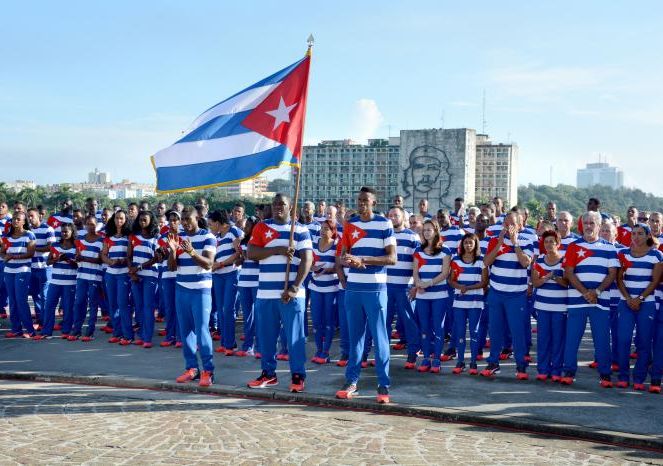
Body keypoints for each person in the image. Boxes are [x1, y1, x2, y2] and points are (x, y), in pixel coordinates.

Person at [334, 187, 396, 403]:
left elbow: (392, 258)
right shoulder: (350, 225)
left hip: (376, 290)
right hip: (353, 289)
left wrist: (365, 261)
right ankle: (351, 381)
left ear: (374, 203)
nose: (361, 204)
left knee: (380, 339)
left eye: (365, 201)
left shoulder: (384, 223)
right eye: (359, 200)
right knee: (355, 339)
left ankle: (383, 385)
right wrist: (347, 261)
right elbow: (342, 256)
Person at [247, 193, 312, 392]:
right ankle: (268, 374)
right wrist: (278, 250)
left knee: (294, 338)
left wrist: (294, 287)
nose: (277, 207)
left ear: (290, 207)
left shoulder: (300, 230)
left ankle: (298, 376)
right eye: (275, 204)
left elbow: (307, 260)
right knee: (266, 338)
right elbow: (251, 253)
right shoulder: (261, 226)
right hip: (266, 293)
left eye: (282, 204)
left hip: (291, 294)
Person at [562, 211, 619, 387]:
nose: (588, 226)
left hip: (600, 301)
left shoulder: (609, 248)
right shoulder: (573, 246)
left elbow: (613, 274)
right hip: (577, 300)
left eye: (591, 223)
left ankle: (605, 374)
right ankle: (569, 372)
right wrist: (586, 292)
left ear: (599, 225)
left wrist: (597, 292)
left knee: (602, 339)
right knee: (572, 339)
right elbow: (568, 272)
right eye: (585, 223)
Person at [167, 208, 217, 387]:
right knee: (185, 331)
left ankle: (208, 371)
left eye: (188, 219)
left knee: (202, 331)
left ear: (198, 218)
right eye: (183, 220)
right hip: (181, 289)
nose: (185, 223)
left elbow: (209, 264)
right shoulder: (177, 238)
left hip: (200, 290)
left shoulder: (208, 237)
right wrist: (173, 251)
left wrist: (192, 252)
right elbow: (172, 268)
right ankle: (191, 368)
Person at [480, 211, 533, 379]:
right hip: (496, 292)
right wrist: (500, 243)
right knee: (495, 331)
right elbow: (486, 262)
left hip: (516, 295)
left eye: (512, 224)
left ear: (519, 225)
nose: (508, 227)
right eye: (506, 223)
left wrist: (515, 242)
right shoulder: (493, 240)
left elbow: (525, 262)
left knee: (517, 332)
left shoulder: (527, 241)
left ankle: (521, 366)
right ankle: (493, 363)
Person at [615, 224, 662, 390]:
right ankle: (622, 376)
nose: (636, 236)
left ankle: (639, 379)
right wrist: (628, 298)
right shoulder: (622, 254)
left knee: (643, 342)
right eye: (633, 233)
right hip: (625, 303)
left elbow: (655, 281)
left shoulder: (656, 255)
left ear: (648, 235)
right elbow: (619, 279)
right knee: (623, 340)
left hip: (647, 304)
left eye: (640, 233)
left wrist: (640, 298)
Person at [411, 220, 452, 374]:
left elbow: (445, 273)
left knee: (438, 326)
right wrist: (418, 283)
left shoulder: (445, 250)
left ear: (436, 231)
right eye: (424, 230)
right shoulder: (418, 250)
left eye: (429, 230)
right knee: (424, 327)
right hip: (422, 296)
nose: (427, 232)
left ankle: (436, 358)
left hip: (439, 295)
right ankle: (426, 357)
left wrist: (428, 284)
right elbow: (415, 272)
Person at [386, 206, 421, 368]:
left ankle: (413, 354)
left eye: (396, 215)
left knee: (408, 321)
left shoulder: (412, 237)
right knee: (383, 322)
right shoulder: (384, 235)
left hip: (404, 287)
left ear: (403, 218)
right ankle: (382, 355)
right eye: (390, 215)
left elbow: (418, 263)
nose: (393, 217)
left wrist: (415, 285)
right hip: (385, 286)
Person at [448, 233, 488, 375]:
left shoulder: (481, 260)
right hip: (459, 302)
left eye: (471, 243)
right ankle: (460, 361)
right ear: (462, 244)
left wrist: (467, 288)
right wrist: (459, 286)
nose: (468, 245)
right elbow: (451, 280)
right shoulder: (456, 260)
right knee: (459, 331)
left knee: (474, 332)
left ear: (475, 244)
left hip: (476, 301)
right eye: (466, 243)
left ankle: (473, 362)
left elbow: (484, 282)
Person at [532, 230, 568, 382]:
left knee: (558, 340)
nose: (548, 245)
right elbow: (535, 283)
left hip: (560, 307)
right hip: (543, 306)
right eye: (546, 242)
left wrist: (555, 277)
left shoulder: (565, 260)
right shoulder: (539, 260)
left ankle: (557, 370)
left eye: (551, 242)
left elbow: (567, 283)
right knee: (543, 339)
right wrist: (547, 277)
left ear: (558, 243)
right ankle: (542, 369)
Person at [208, 210, 243, 355]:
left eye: (211, 224)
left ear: (218, 222)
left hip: (231, 274)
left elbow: (239, 253)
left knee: (228, 309)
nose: (210, 227)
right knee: (221, 310)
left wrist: (221, 264)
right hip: (218, 275)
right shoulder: (216, 236)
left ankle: (230, 344)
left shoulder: (234, 231)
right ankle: (224, 342)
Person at [128, 211, 160, 348]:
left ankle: (147, 338)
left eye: (145, 220)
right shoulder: (133, 237)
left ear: (151, 221)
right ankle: (141, 334)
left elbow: (157, 258)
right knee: (139, 307)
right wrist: (132, 272)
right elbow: (129, 256)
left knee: (148, 307)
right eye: (140, 220)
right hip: (136, 276)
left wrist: (139, 267)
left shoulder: (156, 238)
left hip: (150, 276)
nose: (142, 222)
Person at [1, 212, 36, 338]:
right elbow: (3, 252)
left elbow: (31, 253)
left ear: (23, 221)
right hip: (9, 271)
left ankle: (30, 330)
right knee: (13, 301)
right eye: (14, 219)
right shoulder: (7, 236)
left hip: (23, 270)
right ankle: (16, 329)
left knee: (21, 300)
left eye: (18, 219)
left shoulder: (29, 234)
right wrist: (5, 257)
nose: (15, 221)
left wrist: (14, 257)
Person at [309, 220, 339, 364]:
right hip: (315, 286)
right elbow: (308, 261)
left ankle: (326, 352)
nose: (323, 230)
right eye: (321, 228)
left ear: (333, 231)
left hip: (331, 288)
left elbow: (339, 266)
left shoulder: (337, 244)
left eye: (326, 228)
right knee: (316, 321)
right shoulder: (314, 243)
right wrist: (311, 267)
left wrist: (328, 269)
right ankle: (318, 349)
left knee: (328, 321)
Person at [69, 215, 104, 341]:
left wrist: (83, 258)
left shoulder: (102, 240)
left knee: (93, 304)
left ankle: (90, 331)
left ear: (97, 225)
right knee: (79, 303)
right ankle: (76, 329)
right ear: (85, 225)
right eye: (88, 224)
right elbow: (77, 256)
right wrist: (76, 259)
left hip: (95, 276)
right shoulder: (80, 239)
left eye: (93, 224)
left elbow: (100, 260)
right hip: (81, 275)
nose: (91, 226)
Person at [101, 210, 133, 345]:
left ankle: (128, 335)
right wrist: (110, 262)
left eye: (121, 218)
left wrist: (123, 261)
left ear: (125, 220)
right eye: (116, 218)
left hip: (124, 274)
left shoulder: (129, 237)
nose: (119, 221)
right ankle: (117, 333)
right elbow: (103, 255)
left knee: (123, 304)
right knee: (113, 304)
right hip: (110, 274)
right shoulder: (108, 237)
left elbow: (131, 256)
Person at [41, 222, 77, 338]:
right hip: (55, 281)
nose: (64, 233)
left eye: (66, 231)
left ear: (72, 232)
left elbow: (78, 265)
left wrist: (68, 260)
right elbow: (48, 262)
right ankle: (46, 331)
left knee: (68, 307)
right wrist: (56, 259)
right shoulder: (55, 246)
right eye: (62, 231)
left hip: (70, 282)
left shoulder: (76, 246)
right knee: (49, 306)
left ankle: (66, 331)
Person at [157, 210, 181, 348]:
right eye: (170, 220)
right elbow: (162, 255)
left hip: (181, 276)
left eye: (175, 219)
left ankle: (180, 337)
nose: (172, 222)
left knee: (180, 309)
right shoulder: (162, 237)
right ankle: (170, 336)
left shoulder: (184, 236)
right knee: (170, 307)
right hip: (167, 276)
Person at [236, 217, 259, 357]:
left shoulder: (259, 242)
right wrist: (241, 256)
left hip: (257, 282)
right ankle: (247, 346)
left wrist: (250, 255)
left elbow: (261, 259)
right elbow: (239, 262)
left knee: (259, 315)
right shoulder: (243, 242)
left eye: (248, 226)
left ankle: (260, 347)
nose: (245, 228)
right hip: (244, 281)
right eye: (245, 226)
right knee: (247, 316)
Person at [27, 207, 54, 328]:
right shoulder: (28, 230)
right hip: (31, 267)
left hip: (44, 267)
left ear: (39, 216)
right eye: (28, 216)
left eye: (32, 216)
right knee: (35, 295)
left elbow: (51, 247)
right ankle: (40, 319)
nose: (30, 218)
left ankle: (46, 321)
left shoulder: (48, 229)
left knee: (44, 296)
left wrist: (34, 248)